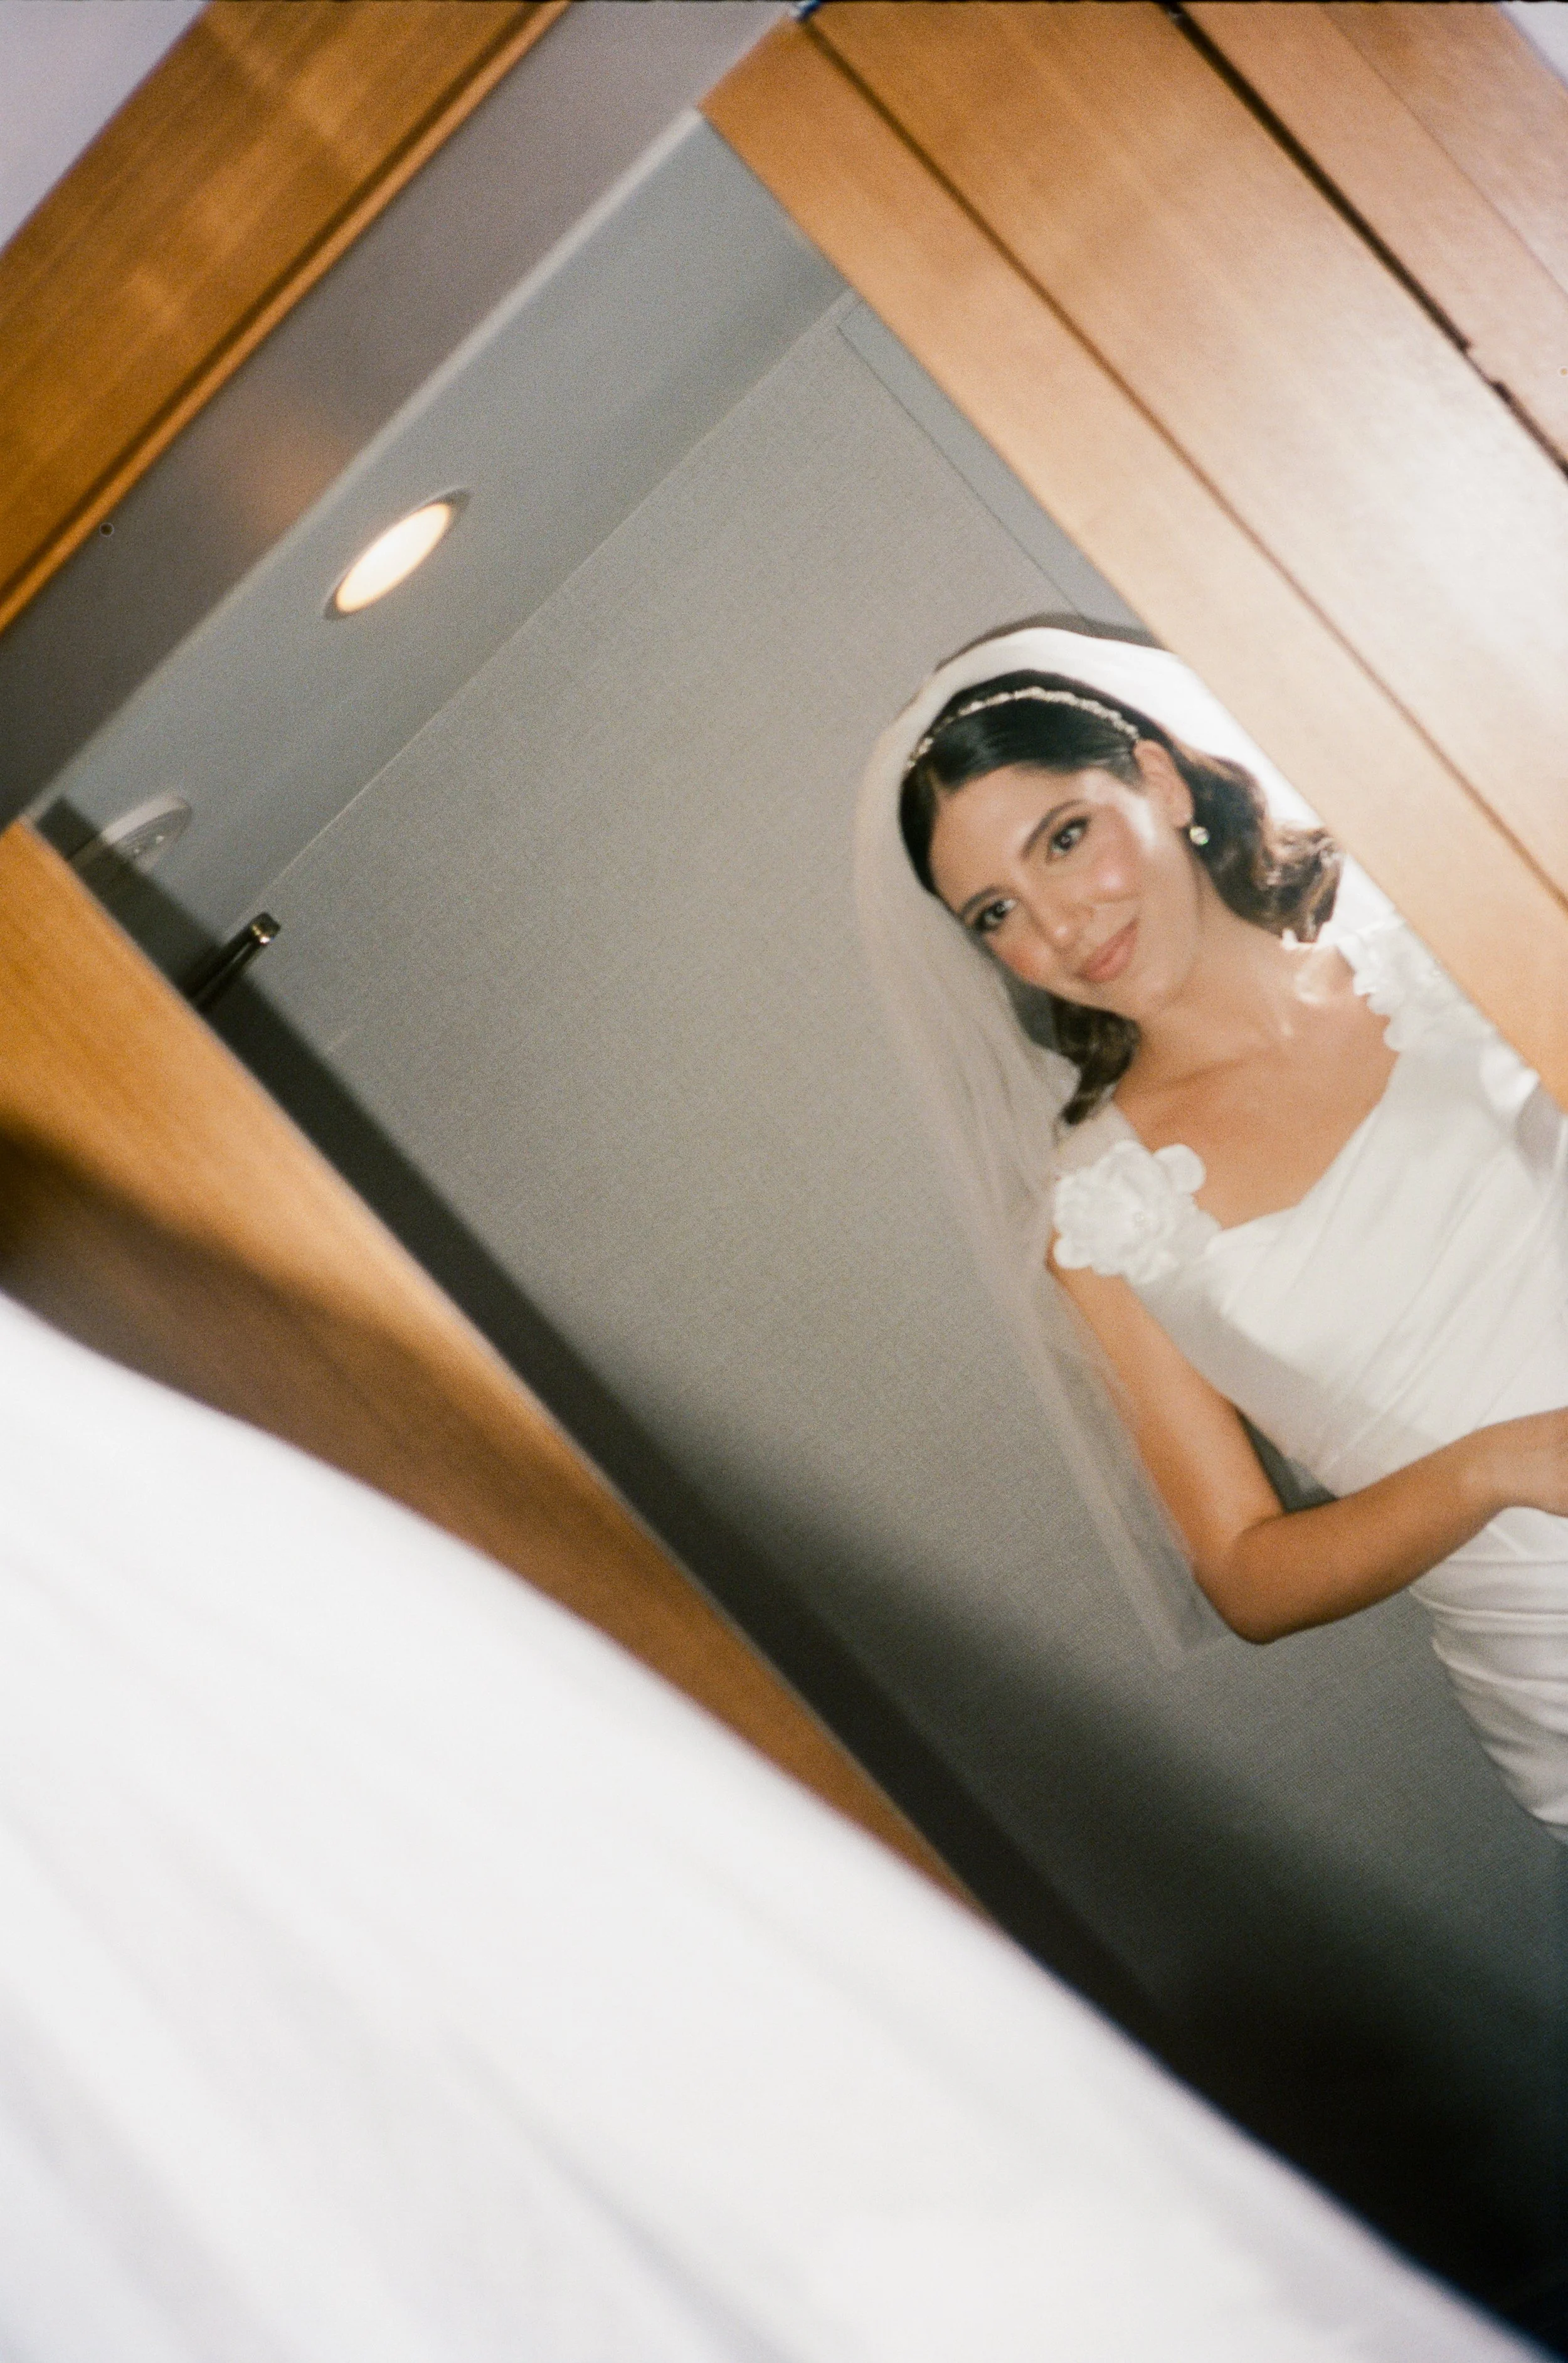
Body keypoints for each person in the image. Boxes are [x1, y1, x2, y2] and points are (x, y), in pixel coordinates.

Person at [857, 620, 1568, 1839]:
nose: (1059, 930)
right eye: (995, 912)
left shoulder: (1451, 940)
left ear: (1158, 775)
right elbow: (1241, 1569)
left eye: (1063, 838)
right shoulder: (1098, 1211)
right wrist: (1491, 1464)